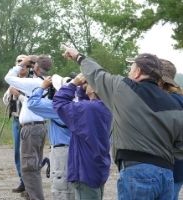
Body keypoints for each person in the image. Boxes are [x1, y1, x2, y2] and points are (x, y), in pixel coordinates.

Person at [62, 46, 183, 199]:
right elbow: (180, 146)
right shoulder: (173, 102)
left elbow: (97, 74)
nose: (129, 72)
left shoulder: (124, 89)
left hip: (137, 172)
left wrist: (78, 56)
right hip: (167, 175)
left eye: (131, 68)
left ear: (138, 72)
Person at [53, 73, 112, 200]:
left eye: (89, 82)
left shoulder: (89, 109)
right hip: (97, 167)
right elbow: (83, 105)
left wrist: (73, 83)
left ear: (96, 88)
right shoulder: (105, 106)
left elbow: (59, 103)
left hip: (85, 170)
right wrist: (82, 89)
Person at [4, 55, 52, 200]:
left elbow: (9, 78)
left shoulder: (33, 82)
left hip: (31, 129)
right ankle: (32, 196)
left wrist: (23, 63)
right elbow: (31, 102)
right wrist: (19, 96)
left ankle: (36, 197)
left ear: (36, 67)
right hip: (40, 127)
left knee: (29, 168)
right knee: (34, 166)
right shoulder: (45, 82)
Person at [27, 75, 74, 200]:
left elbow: (32, 103)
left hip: (62, 152)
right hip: (76, 149)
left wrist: (42, 87)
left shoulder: (58, 107)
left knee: (62, 191)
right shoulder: (80, 103)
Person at [2, 54, 27, 193]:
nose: (22, 64)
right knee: (18, 152)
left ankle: (30, 181)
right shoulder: (13, 81)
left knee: (28, 153)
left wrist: (18, 94)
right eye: (19, 62)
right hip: (16, 120)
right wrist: (11, 92)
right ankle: (22, 180)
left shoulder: (32, 81)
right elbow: (6, 101)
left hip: (29, 122)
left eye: (24, 62)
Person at [158, 59, 183, 200]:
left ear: (160, 81)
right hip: (178, 168)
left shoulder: (169, 102)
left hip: (169, 168)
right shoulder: (179, 98)